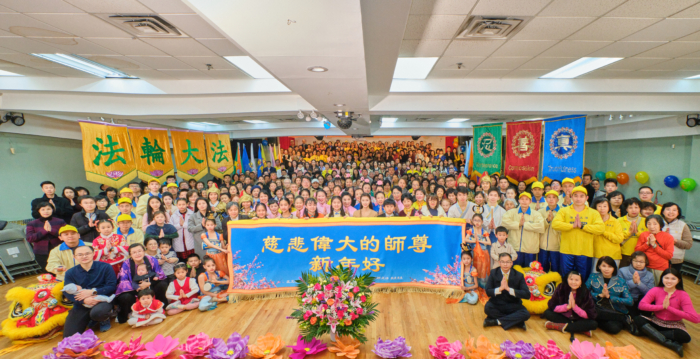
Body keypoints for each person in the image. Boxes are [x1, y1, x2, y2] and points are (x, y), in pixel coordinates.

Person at [636, 268, 700, 357]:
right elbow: (641, 305)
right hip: (656, 320)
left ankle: (649, 333)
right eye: (666, 278)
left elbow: (696, 319)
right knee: (638, 319)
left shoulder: (683, 295)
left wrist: (669, 308)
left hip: (674, 324)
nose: (669, 281)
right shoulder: (656, 290)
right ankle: (670, 344)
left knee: (685, 337)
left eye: (673, 279)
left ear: (678, 280)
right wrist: (662, 307)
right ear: (662, 279)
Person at [552, 186, 605, 282]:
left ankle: (581, 296)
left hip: (585, 251)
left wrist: (583, 227)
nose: (578, 198)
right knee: (566, 278)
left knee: (583, 278)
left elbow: (600, 229)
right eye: (575, 196)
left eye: (581, 196)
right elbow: (555, 224)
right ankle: (566, 296)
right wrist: (572, 226)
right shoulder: (564, 210)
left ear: (586, 198)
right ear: (571, 197)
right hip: (567, 250)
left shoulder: (593, 213)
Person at [62, 245, 117, 336]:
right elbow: (66, 291)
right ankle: (89, 319)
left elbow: (111, 286)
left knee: (98, 312)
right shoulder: (70, 272)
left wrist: (93, 292)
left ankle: (103, 319)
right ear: (74, 257)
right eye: (80, 254)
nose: (84, 256)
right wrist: (84, 300)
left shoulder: (105, 267)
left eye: (87, 253)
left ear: (93, 254)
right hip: (82, 303)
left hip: (101, 299)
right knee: (69, 336)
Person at [114, 243, 169, 325]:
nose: (137, 254)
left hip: (150, 286)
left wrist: (148, 283)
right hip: (134, 288)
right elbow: (123, 281)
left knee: (162, 285)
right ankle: (132, 313)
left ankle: (160, 309)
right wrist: (138, 287)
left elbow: (160, 274)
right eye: (134, 252)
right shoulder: (126, 264)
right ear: (130, 255)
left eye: (139, 251)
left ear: (144, 251)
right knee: (125, 296)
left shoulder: (151, 259)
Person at [543, 271, 598, 342]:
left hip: (578, 319)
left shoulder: (585, 292)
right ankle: (580, 330)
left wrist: (575, 307)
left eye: (577, 280)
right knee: (547, 313)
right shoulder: (561, 288)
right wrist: (567, 307)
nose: (573, 282)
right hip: (564, 317)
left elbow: (589, 314)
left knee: (594, 324)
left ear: (581, 282)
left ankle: (559, 326)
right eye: (571, 279)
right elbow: (553, 306)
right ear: (567, 279)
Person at [585, 256, 633, 334]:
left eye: (610, 266)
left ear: (614, 268)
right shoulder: (593, 277)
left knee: (614, 329)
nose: (606, 269)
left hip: (614, 311)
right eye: (604, 266)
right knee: (592, 312)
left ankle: (621, 318)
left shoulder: (621, 281)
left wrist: (610, 297)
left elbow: (630, 301)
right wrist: (599, 295)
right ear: (599, 266)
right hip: (598, 308)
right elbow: (584, 293)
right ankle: (621, 319)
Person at [483, 253, 531, 330]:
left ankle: (496, 321)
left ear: (512, 263)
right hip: (497, 304)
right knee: (487, 308)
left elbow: (527, 294)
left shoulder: (519, 275)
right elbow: (488, 291)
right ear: (499, 262)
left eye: (508, 262)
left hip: (513, 305)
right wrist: (500, 288)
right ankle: (517, 321)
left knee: (526, 314)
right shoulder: (493, 273)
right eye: (503, 262)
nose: (505, 264)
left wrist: (509, 289)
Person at [502, 192, 544, 267]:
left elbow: (541, 227)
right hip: (514, 248)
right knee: (515, 270)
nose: (524, 201)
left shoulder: (536, 214)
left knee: (529, 273)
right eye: (522, 199)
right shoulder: (511, 212)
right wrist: (518, 224)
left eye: (526, 199)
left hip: (530, 249)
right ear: (519, 201)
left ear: (530, 202)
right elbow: (504, 223)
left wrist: (525, 224)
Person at [26, 201, 65, 271]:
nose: (46, 211)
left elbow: (65, 235)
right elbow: (29, 238)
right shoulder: (32, 223)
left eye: (48, 209)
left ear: (52, 210)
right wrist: (44, 231)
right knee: (47, 272)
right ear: (39, 211)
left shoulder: (60, 221)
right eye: (43, 209)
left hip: (59, 249)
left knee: (62, 271)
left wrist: (51, 230)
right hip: (41, 252)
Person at [635, 214, 674, 283]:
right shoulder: (644, 234)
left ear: (661, 225)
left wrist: (654, 245)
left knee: (658, 289)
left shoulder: (668, 237)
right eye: (649, 224)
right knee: (643, 287)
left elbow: (669, 256)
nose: (651, 226)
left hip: (660, 268)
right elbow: (637, 251)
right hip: (644, 266)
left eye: (655, 224)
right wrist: (647, 244)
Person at [591, 197, 624, 272]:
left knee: (611, 278)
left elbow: (619, 239)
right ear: (595, 207)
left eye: (605, 206)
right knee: (595, 278)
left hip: (613, 255)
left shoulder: (615, 221)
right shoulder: (592, 221)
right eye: (599, 206)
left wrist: (603, 232)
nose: (602, 208)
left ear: (609, 207)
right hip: (596, 254)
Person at [618, 251, 655, 317]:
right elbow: (619, 289)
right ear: (631, 261)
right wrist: (633, 282)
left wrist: (639, 283)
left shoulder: (650, 275)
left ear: (645, 262)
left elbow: (650, 293)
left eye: (641, 262)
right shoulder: (622, 271)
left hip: (641, 300)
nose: (638, 264)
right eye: (635, 261)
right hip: (627, 299)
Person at [660, 203, 693, 272]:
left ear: (678, 213)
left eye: (674, 210)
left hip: (675, 260)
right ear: (663, 211)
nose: (671, 212)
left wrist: (674, 241)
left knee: (672, 280)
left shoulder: (683, 225)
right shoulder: (657, 223)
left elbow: (688, 244)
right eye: (668, 209)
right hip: (657, 257)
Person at [619, 198, 647, 268]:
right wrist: (629, 232)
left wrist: (637, 233)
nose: (633, 210)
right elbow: (617, 237)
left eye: (636, 207)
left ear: (640, 208)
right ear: (626, 209)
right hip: (623, 253)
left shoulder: (645, 221)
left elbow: (648, 237)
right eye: (630, 207)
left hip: (641, 254)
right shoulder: (619, 221)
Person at [538, 190, 562, 273]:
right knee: (542, 269)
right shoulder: (540, 212)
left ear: (558, 200)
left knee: (556, 268)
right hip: (543, 245)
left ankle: (556, 285)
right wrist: (547, 221)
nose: (551, 199)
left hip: (556, 246)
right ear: (546, 199)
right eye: (549, 197)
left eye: (554, 197)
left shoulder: (562, 211)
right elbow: (538, 226)